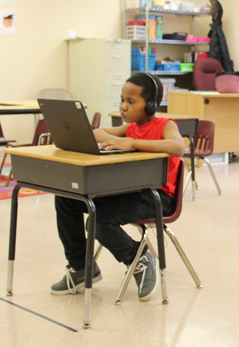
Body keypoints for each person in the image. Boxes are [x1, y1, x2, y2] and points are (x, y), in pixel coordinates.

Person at [50, 72, 185, 302]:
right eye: (122, 100)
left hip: (157, 197)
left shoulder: (165, 125)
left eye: (131, 102)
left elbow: (178, 147)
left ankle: (138, 258)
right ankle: (82, 267)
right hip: (132, 191)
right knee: (66, 199)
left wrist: (131, 142)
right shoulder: (130, 127)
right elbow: (98, 134)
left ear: (151, 105)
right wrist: (94, 134)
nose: (123, 107)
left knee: (99, 219)